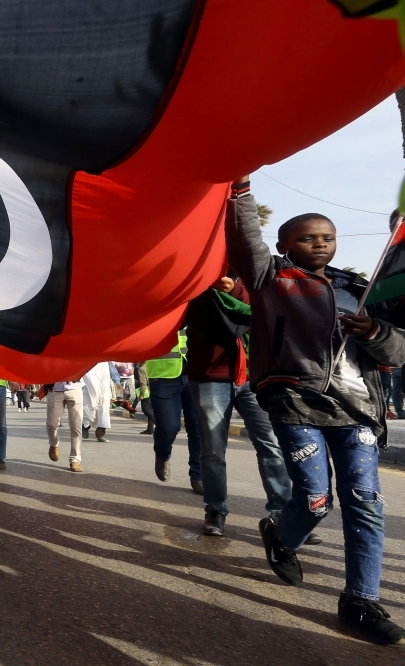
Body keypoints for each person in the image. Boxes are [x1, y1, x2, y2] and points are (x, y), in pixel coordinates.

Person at [227, 176, 405, 645]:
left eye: (327, 237)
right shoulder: (271, 279)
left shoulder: (359, 288)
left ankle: (360, 601)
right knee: (314, 498)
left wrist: (373, 331)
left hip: (360, 411)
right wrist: (241, 190)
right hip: (296, 401)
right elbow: (246, 241)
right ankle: (283, 537)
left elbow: (398, 351)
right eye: (308, 237)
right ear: (285, 244)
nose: (320, 244)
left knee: (365, 503)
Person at [185, 275, 299, 538]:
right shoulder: (194, 279)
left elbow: (264, 314)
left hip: (253, 377)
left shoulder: (254, 277)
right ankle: (215, 509)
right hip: (209, 376)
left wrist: (235, 289)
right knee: (213, 449)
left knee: (271, 443)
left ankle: (283, 512)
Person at [146, 331, 203, 494]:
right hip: (163, 375)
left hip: (195, 372)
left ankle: (198, 476)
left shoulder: (192, 306)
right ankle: (162, 454)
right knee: (169, 427)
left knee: (198, 428)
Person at [44, 379, 84, 472]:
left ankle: (75, 459)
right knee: (51, 424)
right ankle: (54, 443)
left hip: (75, 387)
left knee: (76, 425)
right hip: (54, 388)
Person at [81, 362, 116, 442]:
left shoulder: (106, 360)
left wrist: (117, 381)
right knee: (89, 404)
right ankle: (85, 426)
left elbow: (113, 369)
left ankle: (100, 433)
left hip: (104, 380)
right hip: (89, 369)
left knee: (104, 406)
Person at [133, 363, 156, 434]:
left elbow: (143, 383)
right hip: (154, 390)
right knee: (150, 410)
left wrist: (142, 394)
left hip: (146, 391)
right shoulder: (151, 366)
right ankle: (150, 429)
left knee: (146, 409)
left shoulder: (141, 369)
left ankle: (159, 424)